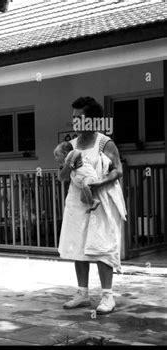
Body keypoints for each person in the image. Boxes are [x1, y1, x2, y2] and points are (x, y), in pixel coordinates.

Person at [58, 96, 126, 315]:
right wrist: (68, 164)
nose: (75, 121)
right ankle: (82, 293)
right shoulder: (72, 144)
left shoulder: (104, 142)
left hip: (101, 199)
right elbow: (63, 176)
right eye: (74, 117)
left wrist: (99, 182)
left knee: (101, 245)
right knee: (78, 245)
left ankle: (107, 295)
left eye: (80, 117)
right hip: (77, 200)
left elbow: (118, 170)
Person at [53, 141, 101, 213]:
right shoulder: (64, 165)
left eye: (57, 155)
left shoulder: (71, 155)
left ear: (65, 153)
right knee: (82, 199)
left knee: (85, 186)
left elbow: (77, 152)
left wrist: (71, 162)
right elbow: (61, 178)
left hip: (88, 176)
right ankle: (93, 201)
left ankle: (93, 203)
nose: (55, 158)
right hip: (82, 182)